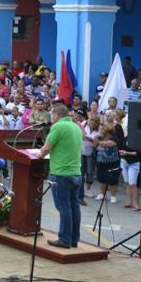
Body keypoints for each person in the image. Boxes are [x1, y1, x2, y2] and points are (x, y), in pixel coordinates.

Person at [38, 103, 83, 248]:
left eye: (52, 114)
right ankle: (74, 239)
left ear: (57, 115)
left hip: (61, 173)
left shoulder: (58, 127)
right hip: (76, 172)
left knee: (64, 207)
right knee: (74, 206)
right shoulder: (76, 127)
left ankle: (64, 240)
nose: (51, 117)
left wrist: (38, 154)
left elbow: (46, 148)